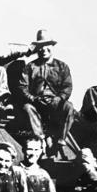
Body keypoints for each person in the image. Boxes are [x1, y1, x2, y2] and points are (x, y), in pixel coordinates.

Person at [17, 30, 75, 159]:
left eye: (46, 45)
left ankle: (61, 139)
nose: (43, 49)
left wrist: (59, 99)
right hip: (37, 103)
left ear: (52, 46)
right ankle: (41, 138)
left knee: (69, 107)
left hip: (55, 104)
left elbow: (67, 86)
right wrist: (33, 99)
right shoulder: (30, 67)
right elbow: (22, 87)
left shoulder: (62, 66)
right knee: (27, 108)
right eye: (40, 46)